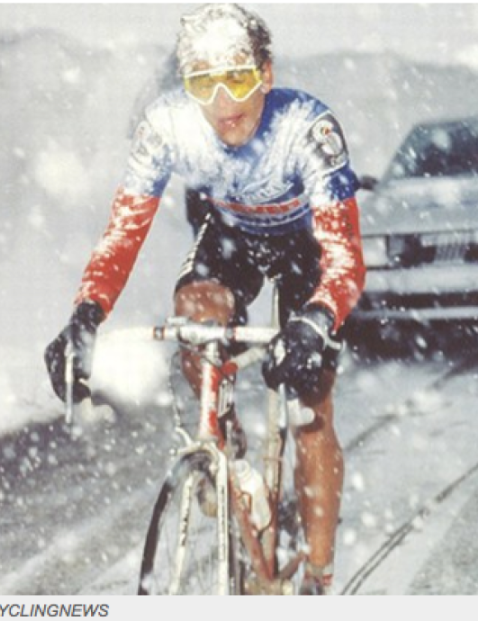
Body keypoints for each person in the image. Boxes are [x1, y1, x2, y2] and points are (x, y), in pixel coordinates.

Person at [44, 3, 365, 595]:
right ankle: (227, 452)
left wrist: (317, 320)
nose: (221, 102)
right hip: (233, 235)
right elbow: (124, 231)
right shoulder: (167, 124)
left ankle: (318, 579)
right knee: (195, 319)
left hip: (306, 246)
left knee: (312, 413)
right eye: (202, 83)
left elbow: (344, 256)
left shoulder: (308, 127)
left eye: (237, 79)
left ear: (265, 74)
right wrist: (85, 315)